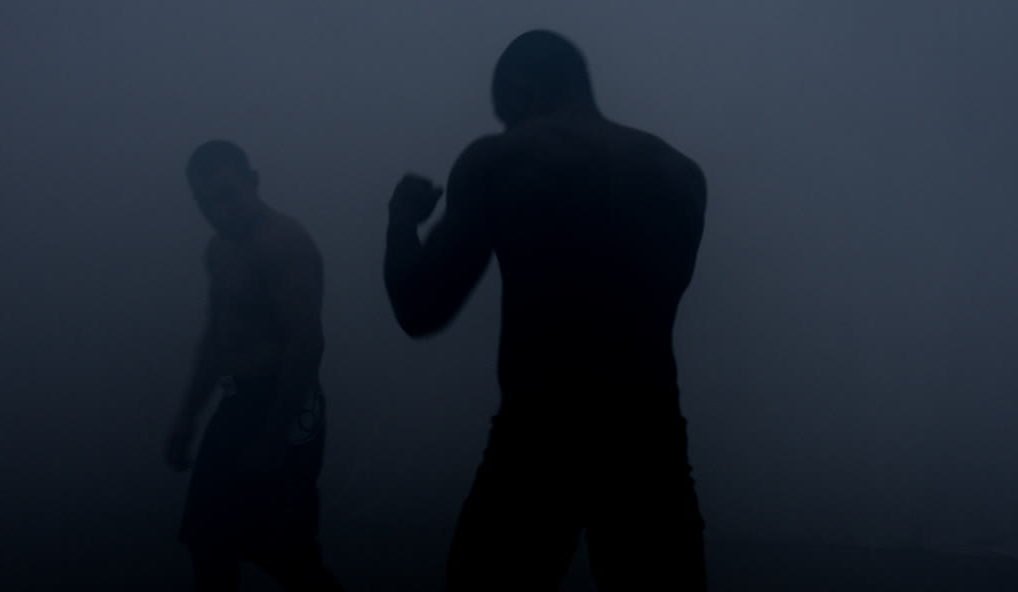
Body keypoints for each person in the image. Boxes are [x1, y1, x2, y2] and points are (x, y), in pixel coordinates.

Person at [384, 30, 709, 590]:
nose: (506, 122)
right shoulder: (680, 174)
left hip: (538, 435)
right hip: (650, 437)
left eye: (504, 109)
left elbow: (420, 308)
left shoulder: (502, 157)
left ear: (519, 88)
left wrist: (399, 222)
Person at [166, 140, 341, 591]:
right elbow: (216, 336)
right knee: (208, 540)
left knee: (287, 552)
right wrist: (187, 415)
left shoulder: (284, 243)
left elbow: (306, 343)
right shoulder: (220, 251)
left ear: (253, 182)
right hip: (240, 402)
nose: (219, 211)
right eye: (205, 202)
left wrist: (274, 438)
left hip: (286, 404)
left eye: (227, 196)